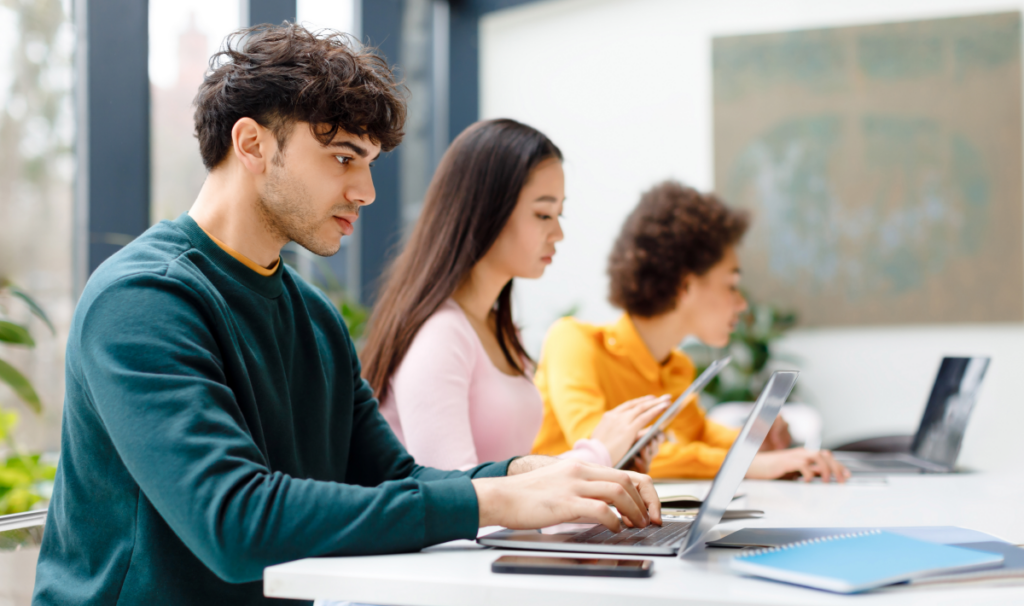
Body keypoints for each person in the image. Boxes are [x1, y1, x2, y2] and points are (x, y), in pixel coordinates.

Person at [32, 25, 661, 606]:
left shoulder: (313, 316)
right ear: (251, 143)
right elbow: (233, 522)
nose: (366, 191)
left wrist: (535, 474)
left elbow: (393, 477)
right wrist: (495, 499)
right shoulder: (143, 301)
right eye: (343, 158)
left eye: (369, 163)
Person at [361, 119, 668, 473]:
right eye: (543, 214)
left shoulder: (501, 330)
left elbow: (511, 483)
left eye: (559, 213)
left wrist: (614, 466)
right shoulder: (440, 336)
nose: (558, 233)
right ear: (486, 209)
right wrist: (597, 453)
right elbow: (456, 499)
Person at [532, 181, 850, 482]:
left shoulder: (676, 368)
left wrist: (754, 438)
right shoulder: (573, 342)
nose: (741, 304)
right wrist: (748, 464)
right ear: (685, 285)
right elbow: (607, 452)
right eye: (732, 286)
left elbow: (698, 435)